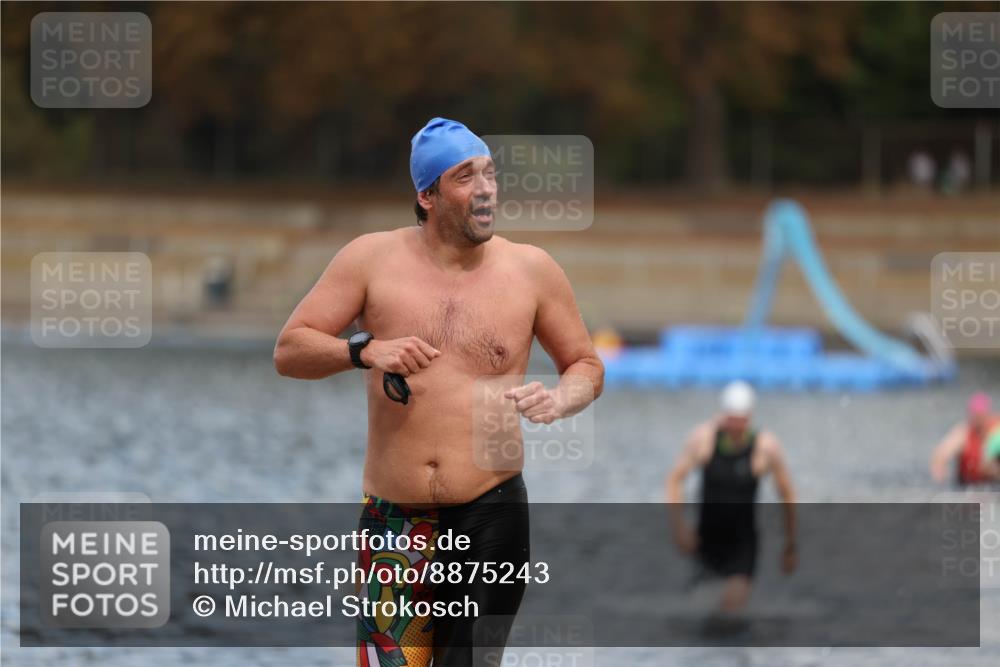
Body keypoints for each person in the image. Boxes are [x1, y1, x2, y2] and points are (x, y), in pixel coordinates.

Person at [274, 117, 604, 666]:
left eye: (490, 174)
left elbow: (586, 364)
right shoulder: (370, 260)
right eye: (465, 177)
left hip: (491, 511)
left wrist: (563, 398)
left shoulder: (532, 271)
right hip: (394, 522)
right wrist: (363, 350)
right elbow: (290, 351)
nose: (485, 190)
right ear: (427, 196)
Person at [665, 380, 796, 612]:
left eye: (742, 422)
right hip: (706, 539)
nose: (736, 427)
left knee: (732, 608)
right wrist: (680, 527)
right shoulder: (703, 439)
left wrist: (790, 544)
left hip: (742, 544)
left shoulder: (765, 448)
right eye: (731, 421)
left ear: (750, 418)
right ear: (723, 416)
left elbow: (786, 495)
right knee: (699, 611)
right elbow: (675, 479)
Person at [930, 393, 999, 486]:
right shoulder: (963, 434)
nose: (978, 419)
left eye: (981, 415)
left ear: (988, 414)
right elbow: (940, 456)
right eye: (975, 415)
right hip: (968, 484)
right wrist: (940, 481)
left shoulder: (996, 432)